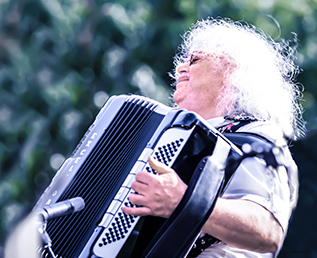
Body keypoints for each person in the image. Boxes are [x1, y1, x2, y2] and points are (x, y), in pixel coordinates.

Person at [122, 17, 305, 257]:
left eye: (195, 60)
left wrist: (184, 201)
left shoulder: (257, 139)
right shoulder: (170, 137)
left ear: (234, 73)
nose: (180, 68)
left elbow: (269, 232)